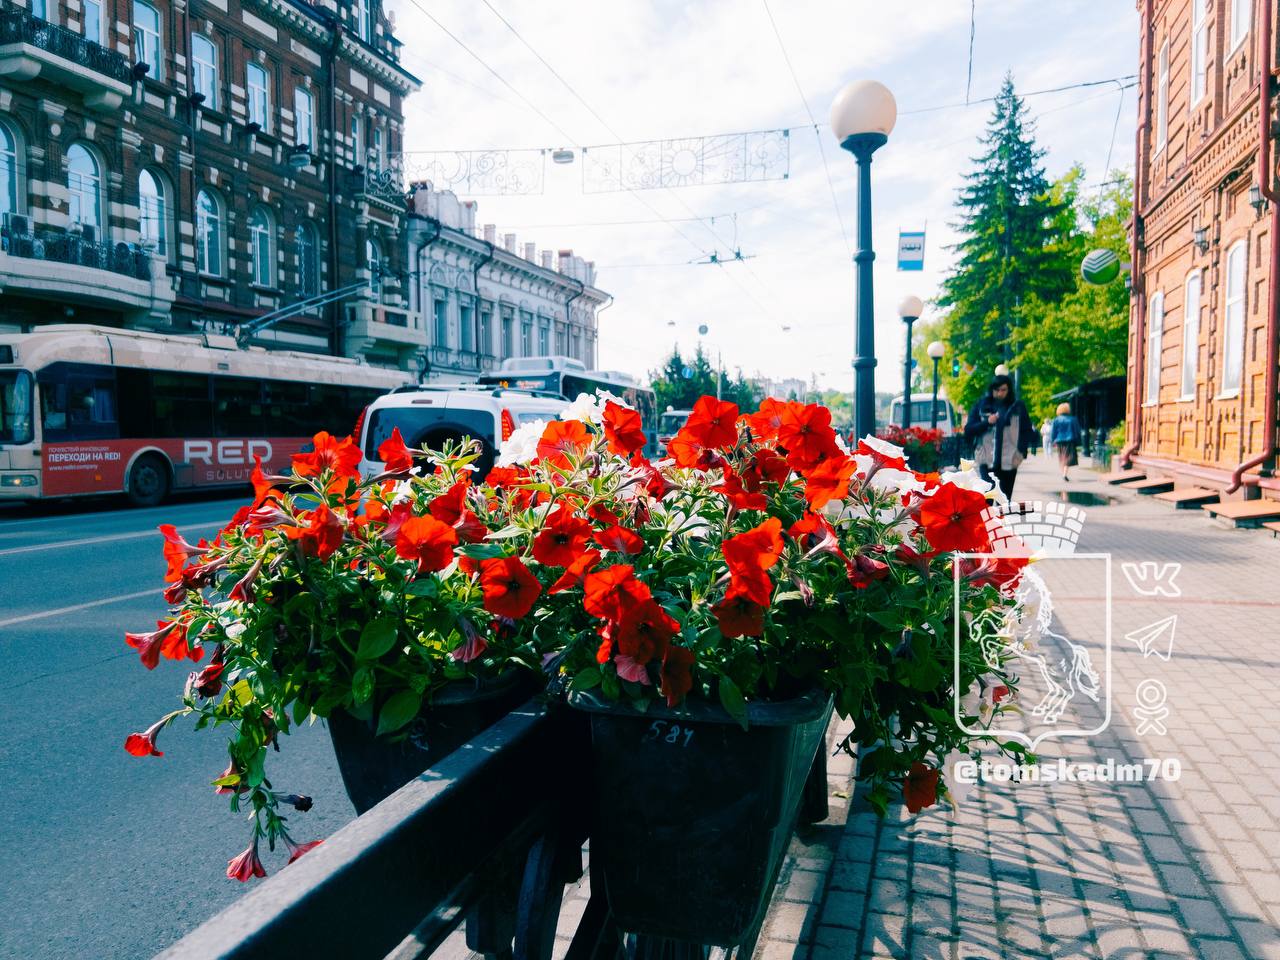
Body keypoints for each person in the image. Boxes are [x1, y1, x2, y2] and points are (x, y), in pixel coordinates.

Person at [964, 374, 1037, 500]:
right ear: (992, 389)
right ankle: (990, 520)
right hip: (986, 459)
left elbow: (1027, 431)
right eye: (996, 390)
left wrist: (1020, 453)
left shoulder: (1017, 407)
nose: (999, 393)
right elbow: (969, 429)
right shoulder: (982, 405)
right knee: (987, 499)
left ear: (1009, 390)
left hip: (1010, 459)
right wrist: (987, 422)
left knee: (1004, 500)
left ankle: (1003, 520)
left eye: (1003, 390)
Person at [1050, 401, 1083, 481]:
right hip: (1070, 440)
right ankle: (1064, 474)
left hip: (1059, 440)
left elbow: (1053, 431)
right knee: (1068, 457)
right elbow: (1077, 430)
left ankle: (1063, 473)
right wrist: (1078, 439)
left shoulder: (1056, 420)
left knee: (1062, 456)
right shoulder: (1072, 419)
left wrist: (1052, 440)